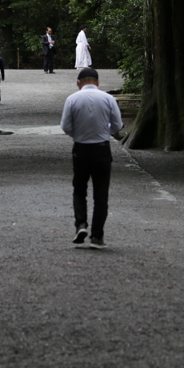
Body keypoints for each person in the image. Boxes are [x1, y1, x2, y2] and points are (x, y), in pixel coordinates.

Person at [60, 67, 123, 249]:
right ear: (97, 82)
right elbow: (117, 124)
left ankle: (81, 224)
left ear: (78, 83)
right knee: (101, 194)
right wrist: (104, 131)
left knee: (79, 189)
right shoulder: (108, 98)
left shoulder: (72, 99)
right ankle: (97, 236)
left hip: (80, 148)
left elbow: (65, 126)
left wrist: (78, 134)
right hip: (102, 149)